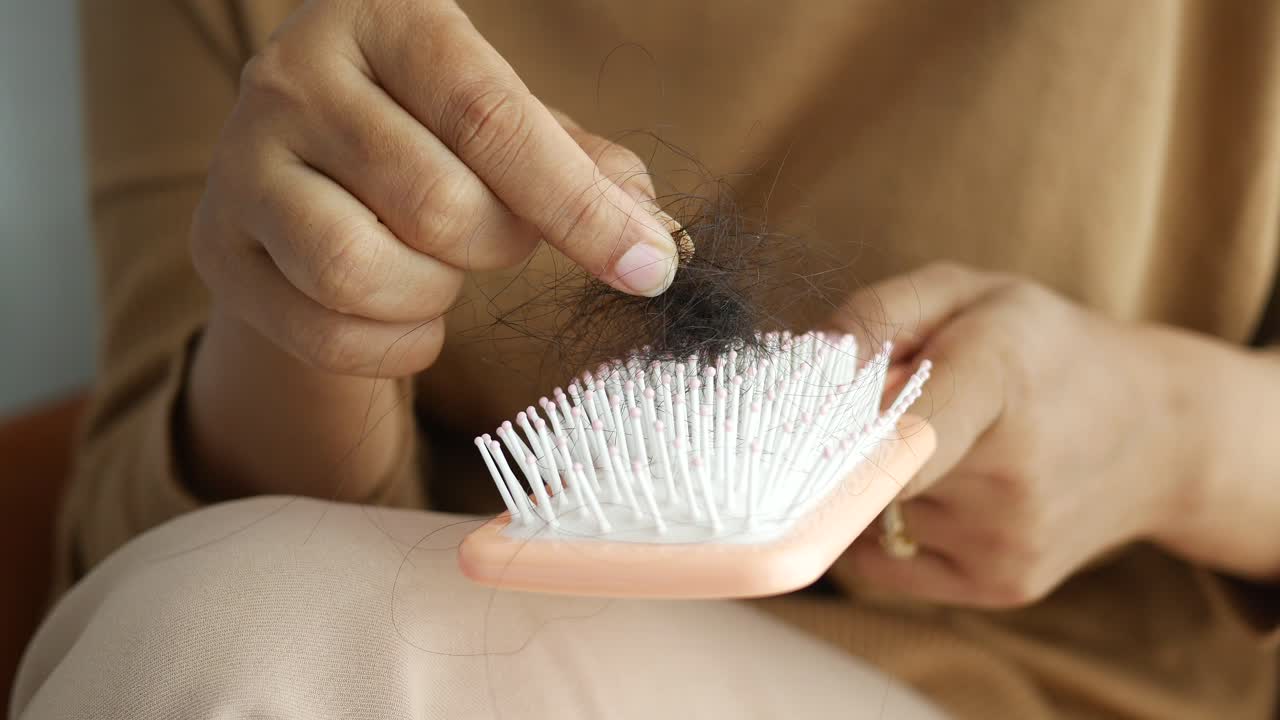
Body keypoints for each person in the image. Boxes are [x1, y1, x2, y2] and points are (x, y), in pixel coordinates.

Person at [9, 1, 1279, 718]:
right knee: (227, 628)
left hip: (1065, 700)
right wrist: (309, 315)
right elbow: (117, 572)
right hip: (464, 670)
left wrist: (1173, 434)